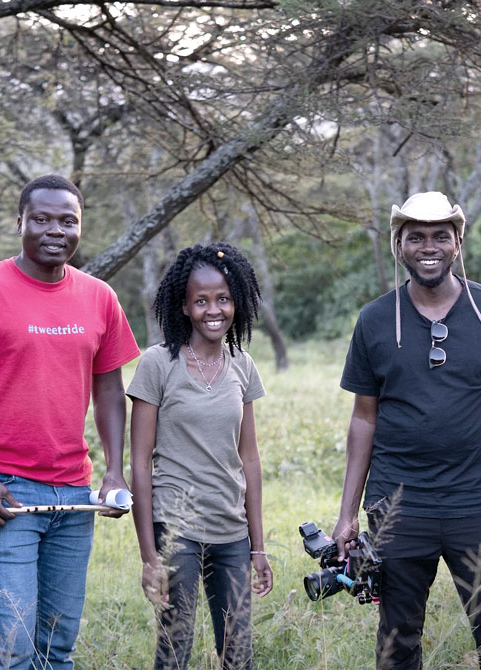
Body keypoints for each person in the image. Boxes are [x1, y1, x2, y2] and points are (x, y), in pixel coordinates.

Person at [0, 174, 142, 669]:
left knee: (57, 644)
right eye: (42, 218)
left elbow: (110, 389)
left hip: (74, 491)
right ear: (21, 223)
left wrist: (114, 471)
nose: (56, 230)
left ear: (80, 226)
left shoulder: (99, 297)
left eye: (68, 220)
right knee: (12, 645)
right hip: (3, 491)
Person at [331, 191, 481, 670]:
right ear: (398, 245)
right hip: (398, 507)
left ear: (458, 242)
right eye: (416, 237)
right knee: (398, 642)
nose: (429, 246)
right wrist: (347, 515)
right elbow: (364, 417)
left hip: (479, 503)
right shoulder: (375, 319)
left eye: (440, 236)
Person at [127, 243, 274, 670]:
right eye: (202, 301)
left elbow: (250, 459)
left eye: (224, 299)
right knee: (175, 650)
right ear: (185, 307)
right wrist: (149, 556)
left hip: (231, 529)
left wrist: (258, 547)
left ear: (237, 303)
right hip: (177, 527)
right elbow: (139, 463)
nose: (215, 310)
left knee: (238, 652)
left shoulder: (242, 366)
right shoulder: (158, 364)